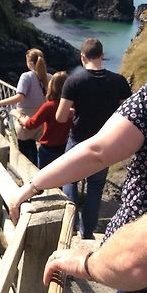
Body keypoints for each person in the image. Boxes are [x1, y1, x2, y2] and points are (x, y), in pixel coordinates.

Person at [9, 84, 146, 293]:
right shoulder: (118, 82)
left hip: (136, 270)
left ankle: (79, 229)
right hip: (132, 265)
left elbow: (97, 150)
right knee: (94, 193)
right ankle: (86, 230)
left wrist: (86, 263)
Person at [55, 38, 131, 239]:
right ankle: (87, 232)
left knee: (68, 180)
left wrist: (73, 111)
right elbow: (127, 115)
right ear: (102, 56)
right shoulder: (119, 81)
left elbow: (60, 117)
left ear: (82, 57)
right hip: (104, 143)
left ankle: (69, 226)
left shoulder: (73, 81)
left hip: (78, 140)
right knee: (95, 189)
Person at [44, 213, 147, 291]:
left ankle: (80, 230)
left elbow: (131, 262)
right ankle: (87, 233)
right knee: (95, 188)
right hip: (126, 275)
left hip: (131, 281)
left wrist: (87, 264)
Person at [0, 48, 51, 164]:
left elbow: (19, 97)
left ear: (30, 63)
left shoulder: (26, 76)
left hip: (24, 119)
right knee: (38, 152)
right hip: (42, 119)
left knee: (26, 156)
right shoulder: (49, 77)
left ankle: (29, 178)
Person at [17, 71, 72, 168]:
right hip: (64, 147)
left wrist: (22, 118)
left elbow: (31, 124)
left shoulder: (49, 106)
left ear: (52, 86)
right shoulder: (71, 105)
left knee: (43, 177)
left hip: (48, 149)